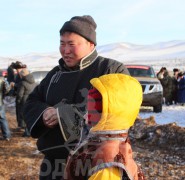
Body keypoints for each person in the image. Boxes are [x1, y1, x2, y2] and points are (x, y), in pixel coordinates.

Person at [23, 15, 130, 179]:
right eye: (62, 43)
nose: (65, 50)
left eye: (71, 44)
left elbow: (121, 112)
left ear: (91, 44)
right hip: (53, 166)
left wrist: (64, 114)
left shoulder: (111, 70)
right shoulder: (55, 74)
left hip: (96, 167)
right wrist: (44, 113)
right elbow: (31, 101)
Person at [64, 74, 144, 180]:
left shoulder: (107, 165)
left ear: (105, 116)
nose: (85, 116)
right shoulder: (111, 144)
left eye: (91, 111)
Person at [16, 68, 37, 137]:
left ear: (22, 75)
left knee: (25, 117)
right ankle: (31, 131)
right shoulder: (34, 82)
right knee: (31, 116)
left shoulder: (22, 83)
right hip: (33, 101)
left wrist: (18, 101)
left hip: (24, 102)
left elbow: (20, 94)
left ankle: (27, 133)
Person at [0, 76, 11, 141]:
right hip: (0, 103)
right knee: (3, 119)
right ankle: (7, 136)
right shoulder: (2, 80)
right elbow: (8, 89)